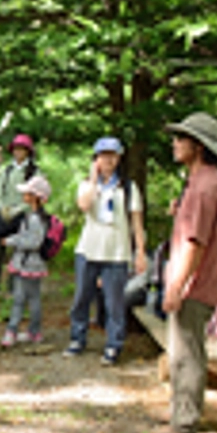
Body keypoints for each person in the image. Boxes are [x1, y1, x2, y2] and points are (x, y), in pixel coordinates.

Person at [150, 113, 217, 433]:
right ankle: (183, 415)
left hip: (194, 285)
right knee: (188, 349)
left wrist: (176, 286)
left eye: (181, 138)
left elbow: (195, 244)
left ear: (198, 146)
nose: (174, 143)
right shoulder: (207, 181)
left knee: (186, 354)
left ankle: (183, 425)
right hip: (200, 282)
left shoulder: (203, 186)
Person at [65, 137, 147, 366]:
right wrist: (93, 178)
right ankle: (77, 339)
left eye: (112, 155)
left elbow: (137, 224)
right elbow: (84, 205)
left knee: (114, 303)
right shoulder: (87, 185)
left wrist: (140, 251)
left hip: (117, 252)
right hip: (88, 249)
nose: (107, 160)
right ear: (96, 159)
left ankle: (113, 345)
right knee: (82, 297)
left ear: (119, 158)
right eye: (103, 155)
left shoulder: (128, 188)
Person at [0, 176, 52, 347]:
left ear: (35, 196)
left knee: (20, 299)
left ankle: (11, 331)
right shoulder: (35, 216)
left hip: (28, 264)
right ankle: (34, 331)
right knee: (33, 298)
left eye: (27, 192)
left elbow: (33, 242)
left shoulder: (35, 219)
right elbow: (26, 236)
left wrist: (10, 242)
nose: (23, 195)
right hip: (32, 264)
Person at [0, 133, 37, 298]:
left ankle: (12, 288)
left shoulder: (33, 171)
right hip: (4, 216)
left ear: (28, 151)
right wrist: (2, 208)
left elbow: (35, 195)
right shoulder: (7, 170)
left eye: (22, 149)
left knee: (17, 254)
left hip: (23, 217)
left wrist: (18, 209)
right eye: (16, 149)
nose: (18, 152)